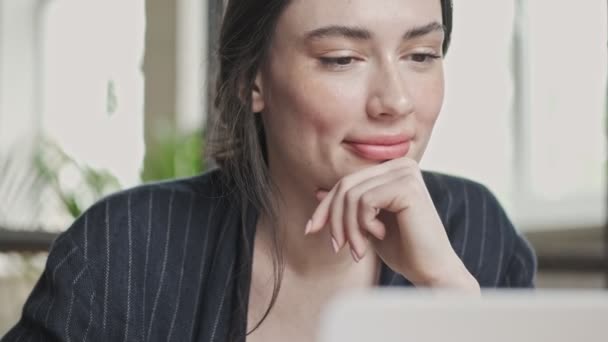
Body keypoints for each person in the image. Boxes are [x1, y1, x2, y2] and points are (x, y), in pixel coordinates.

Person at [2, 0, 536, 341]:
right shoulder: (123, 252)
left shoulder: (478, 236)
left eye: (422, 54)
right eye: (342, 58)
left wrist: (454, 297)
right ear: (251, 80)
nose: (395, 101)